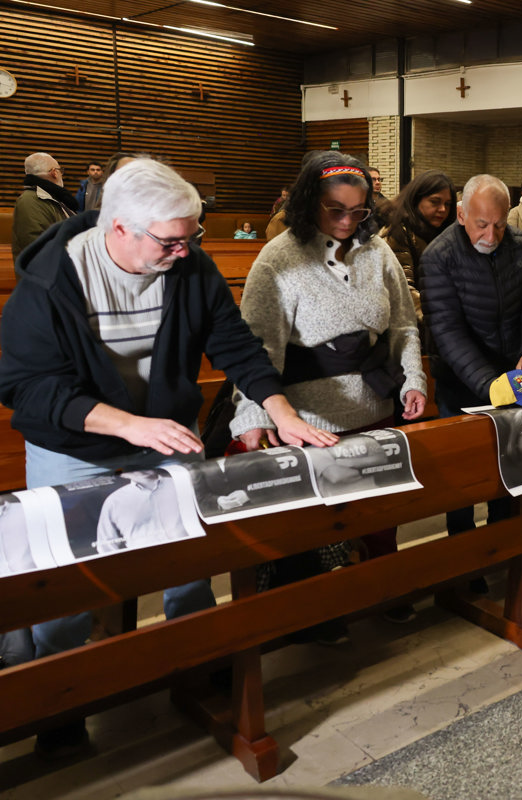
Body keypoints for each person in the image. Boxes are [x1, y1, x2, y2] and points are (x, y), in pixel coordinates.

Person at [0, 157, 334, 755]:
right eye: (172, 241)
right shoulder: (51, 281)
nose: (186, 251)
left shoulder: (189, 264)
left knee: (188, 552)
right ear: (118, 227)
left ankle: (193, 662)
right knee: (71, 575)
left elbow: (233, 341)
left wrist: (279, 408)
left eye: (192, 237)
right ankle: (61, 698)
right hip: (76, 445)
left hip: (165, 431)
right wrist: (130, 425)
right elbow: (28, 388)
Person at [229, 151, 427, 621]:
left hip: (376, 409)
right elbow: (256, 348)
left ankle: (380, 589)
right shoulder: (279, 258)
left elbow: (403, 326)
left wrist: (413, 379)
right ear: (307, 204)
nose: (346, 221)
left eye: (357, 211)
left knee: (379, 518)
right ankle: (315, 615)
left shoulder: (377, 252)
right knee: (316, 531)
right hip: (310, 424)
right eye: (334, 210)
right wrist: (255, 416)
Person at [420, 173, 522, 588]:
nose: (491, 234)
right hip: (462, 378)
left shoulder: (521, 245)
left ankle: (502, 540)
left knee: (509, 462)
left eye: (498, 224)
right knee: (462, 474)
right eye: (481, 224)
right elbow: (447, 330)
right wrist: (490, 384)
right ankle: (462, 556)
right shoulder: (438, 256)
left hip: (511, 369)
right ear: (461, 215)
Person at [379, 169, 456, 323]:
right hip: (411, 323)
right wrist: (441, 318)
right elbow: (402, 289)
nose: (442, 209)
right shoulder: (397, 232)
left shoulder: (445, 232)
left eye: (447, 204)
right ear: (416, 200)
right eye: (435, 202)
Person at [12, 152, 76, 262]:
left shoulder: (51, 198)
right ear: (54, 172)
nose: (61, 175)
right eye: (60, 171)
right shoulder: (30, 200)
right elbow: (37, 246)